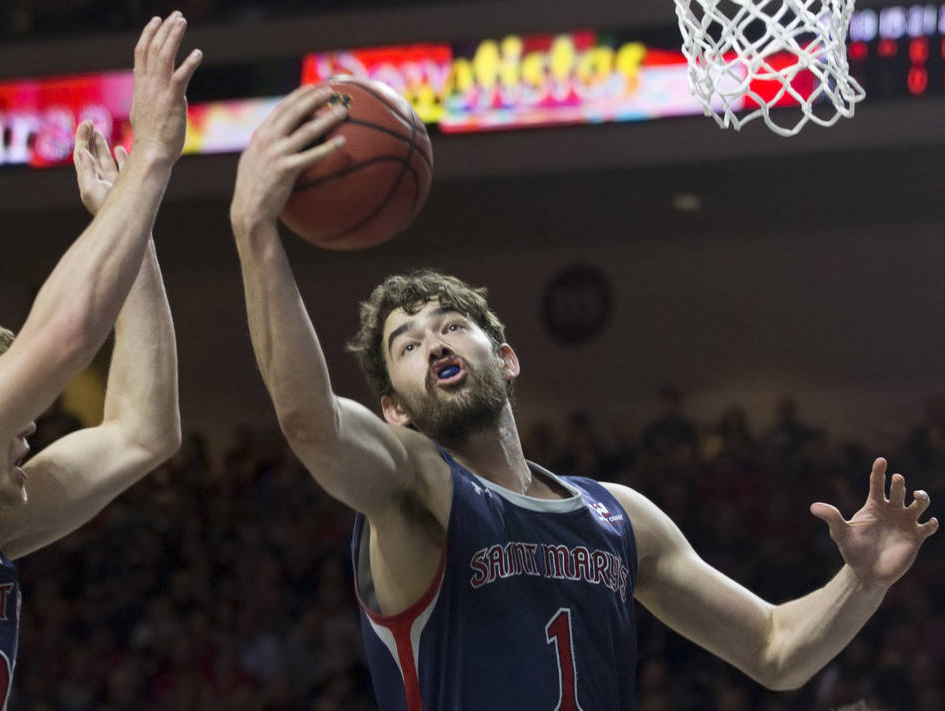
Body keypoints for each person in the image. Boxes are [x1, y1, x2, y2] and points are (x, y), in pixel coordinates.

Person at [229, 87, 938, 710]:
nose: (436, 344)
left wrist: (861, 582)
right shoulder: (415, 488)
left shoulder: (620, 515)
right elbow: (310, 422)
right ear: (396, 411)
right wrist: (256, 231)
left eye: (451, 326)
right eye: (408, 345)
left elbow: (776, 649)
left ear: (505, 360)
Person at [0, 13, 200, 708]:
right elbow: (62, 339)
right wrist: (151, 157)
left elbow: (143, 430)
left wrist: (129, 224)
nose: (28, 420)